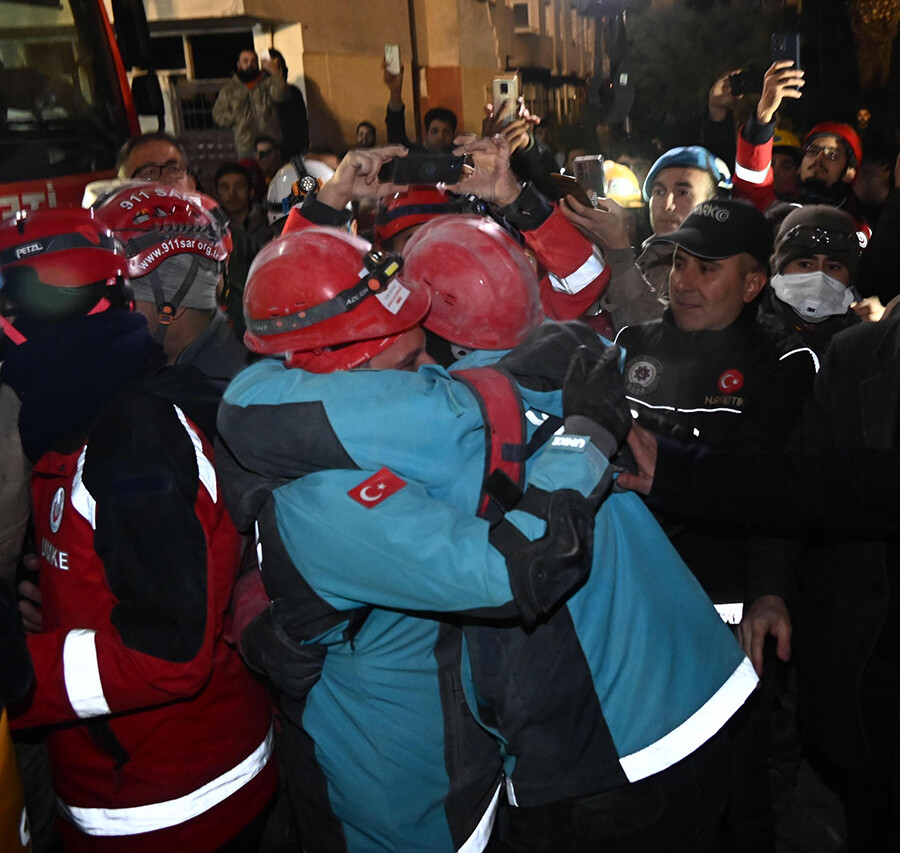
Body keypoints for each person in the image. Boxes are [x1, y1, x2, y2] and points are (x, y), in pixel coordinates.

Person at [218, 146, 757, 852]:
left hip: (609, 747)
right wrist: (519, 201)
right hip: (701, 683)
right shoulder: (565, 354)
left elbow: (284, 386)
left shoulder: (443, 416)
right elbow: (584, 284)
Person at [0, 207, 276, 851]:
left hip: (172, 808)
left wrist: (20, 671)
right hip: (126, 788)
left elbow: (167, 654)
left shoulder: (134, 440)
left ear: (26, 316)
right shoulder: (79, 416)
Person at [619, 312, 900, 850]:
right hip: (870, 670)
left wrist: (688, 473)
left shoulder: (785, 359)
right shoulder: (858, 353)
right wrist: (771, 587)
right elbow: (805, 478)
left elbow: (864, 485)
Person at [614, 197, 818, 851]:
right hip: (630, 612)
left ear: (754, 282)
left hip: (724, 627)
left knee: (737, 796)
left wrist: (769, 591)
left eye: (707, 267)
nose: (684, 280)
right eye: (678, 261)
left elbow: (775, 492)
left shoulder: (783, 365)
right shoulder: (632, 344)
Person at [94, 183, 248, 386]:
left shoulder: (223, 399)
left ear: (173, 301)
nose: (105, 313)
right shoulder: (167, 369)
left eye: (118, 299)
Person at [561, 145, 726, 331]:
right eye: (659, 192)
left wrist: (618, 253)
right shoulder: (648, 256)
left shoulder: (719, 270)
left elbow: (666, 337)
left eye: (682, 193)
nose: (667, 205)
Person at [760, 204, 862, 355]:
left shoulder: (864, 349)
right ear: (777, 267)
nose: (819, 277)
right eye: (805, 264)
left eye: (833, 267)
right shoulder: (746, 336)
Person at [213, 49, 289, 158]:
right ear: (239, 65)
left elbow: (282, 96)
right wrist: (236, 117)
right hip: (246, 145)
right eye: (246, 61)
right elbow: (218, 116)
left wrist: (275, 72)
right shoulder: (229, 90)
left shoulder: (267, 83)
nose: (250, 64)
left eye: (253, 61)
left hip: (270, 142)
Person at [383, 61, 457, 152]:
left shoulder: (463, 160)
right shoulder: (416, 158)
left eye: (446, 132)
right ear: (426, 136)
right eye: (435, 131)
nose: (440, 137)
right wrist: (395, 92)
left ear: (453, 137)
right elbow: (396, 137)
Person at [115, 131, 193, 192]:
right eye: (150, 172)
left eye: (174, 169)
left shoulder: (203, 210)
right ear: (123, 186)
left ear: (191, 183)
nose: (167, 178)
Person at [267, 48, 310, 158]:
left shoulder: (293, 92)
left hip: (293, 148)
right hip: (270, 148)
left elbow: (302, 123)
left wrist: (304, 149)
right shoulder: (262, 94)